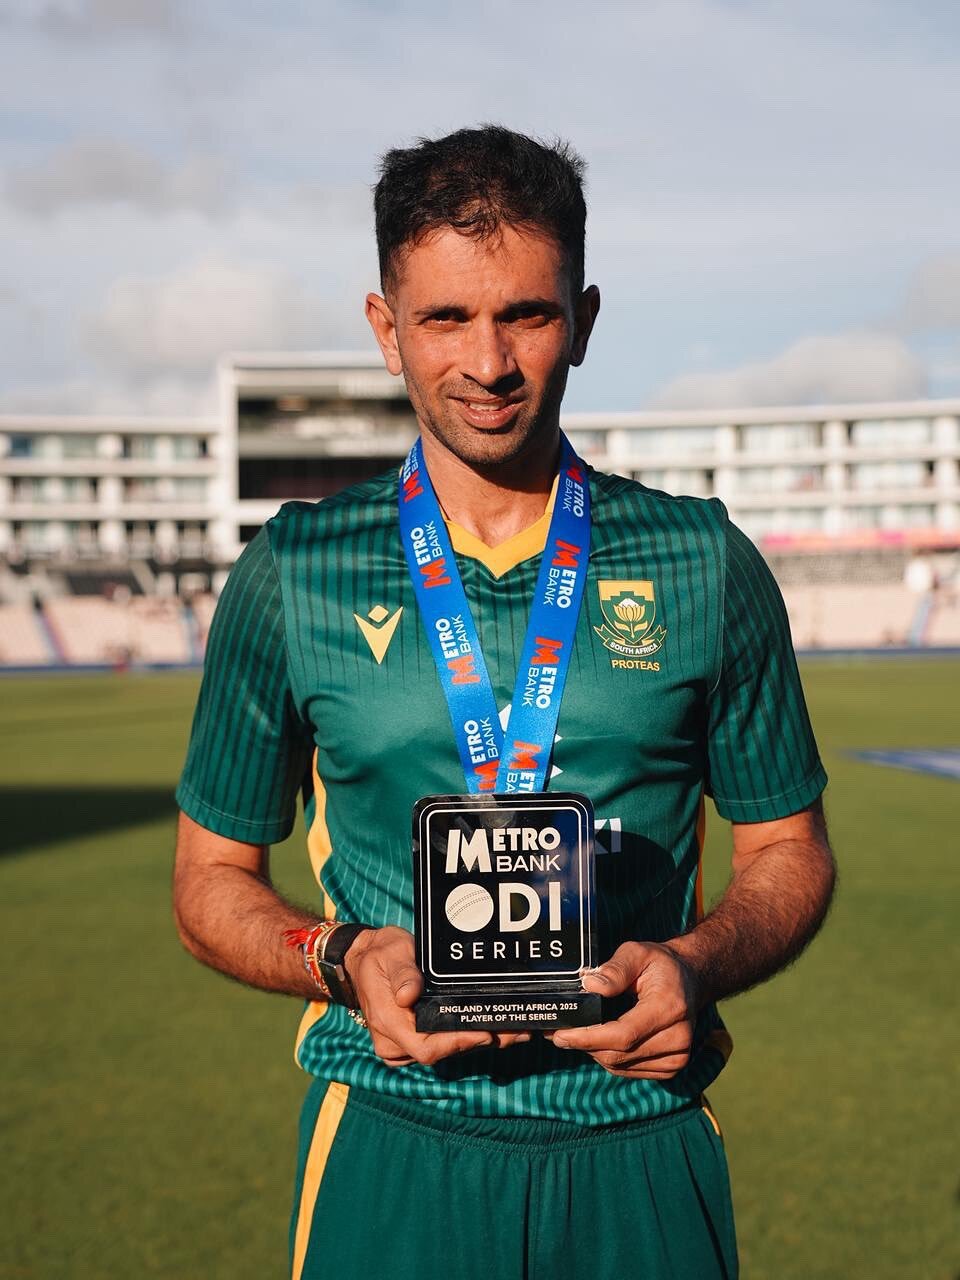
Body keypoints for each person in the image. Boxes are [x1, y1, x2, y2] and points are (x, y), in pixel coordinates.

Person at [174, 125, 835, 1280]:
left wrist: (696, 961)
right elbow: (208, 878)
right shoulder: (295, 571)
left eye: (526, 314)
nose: (489, 362)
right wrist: (340, 956)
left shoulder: (702, 561)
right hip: (390, 1133)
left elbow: (790, 848)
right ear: (386, 328)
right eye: (445, 318)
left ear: (583, 316)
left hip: (636, 1135)